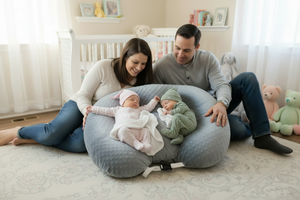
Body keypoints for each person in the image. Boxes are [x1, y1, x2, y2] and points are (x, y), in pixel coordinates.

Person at [153, 24, 293, 154]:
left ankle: (262, 135)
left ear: (197, 47)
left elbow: (221, 85)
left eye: (187, 50)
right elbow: (155, 95)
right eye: (177, 48)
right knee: (237, 129)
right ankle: (246, 124)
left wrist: (221, 104)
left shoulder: (208, 59)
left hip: (213, 106)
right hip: (190, 116)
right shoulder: (161, 66)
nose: (180, 54)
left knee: (248, 78)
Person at [0, 38, 154, 153]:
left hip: (101, 116)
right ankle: (18, 131)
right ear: (125, 56)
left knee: (80, 145)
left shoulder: (142, 81)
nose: (139, 68)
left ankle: (36, 140)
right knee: (52, 133)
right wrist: (86, 111)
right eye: (135, 62)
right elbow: (82, 95)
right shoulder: (104, 66)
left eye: (143, 64)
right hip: (79, 105)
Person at [86, 89, 163, 155]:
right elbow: (105, 111)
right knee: (122, 131)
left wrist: (154, 101)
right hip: (125, 129)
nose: (135, 101)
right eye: (132, 100)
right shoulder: (117, 110)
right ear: (123, 102)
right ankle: (136, 143)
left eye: (137, 101)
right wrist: (93, 109)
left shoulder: (139, 109)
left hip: (137, 129)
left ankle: (145, 143)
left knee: (145, 130)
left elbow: (148, 107)